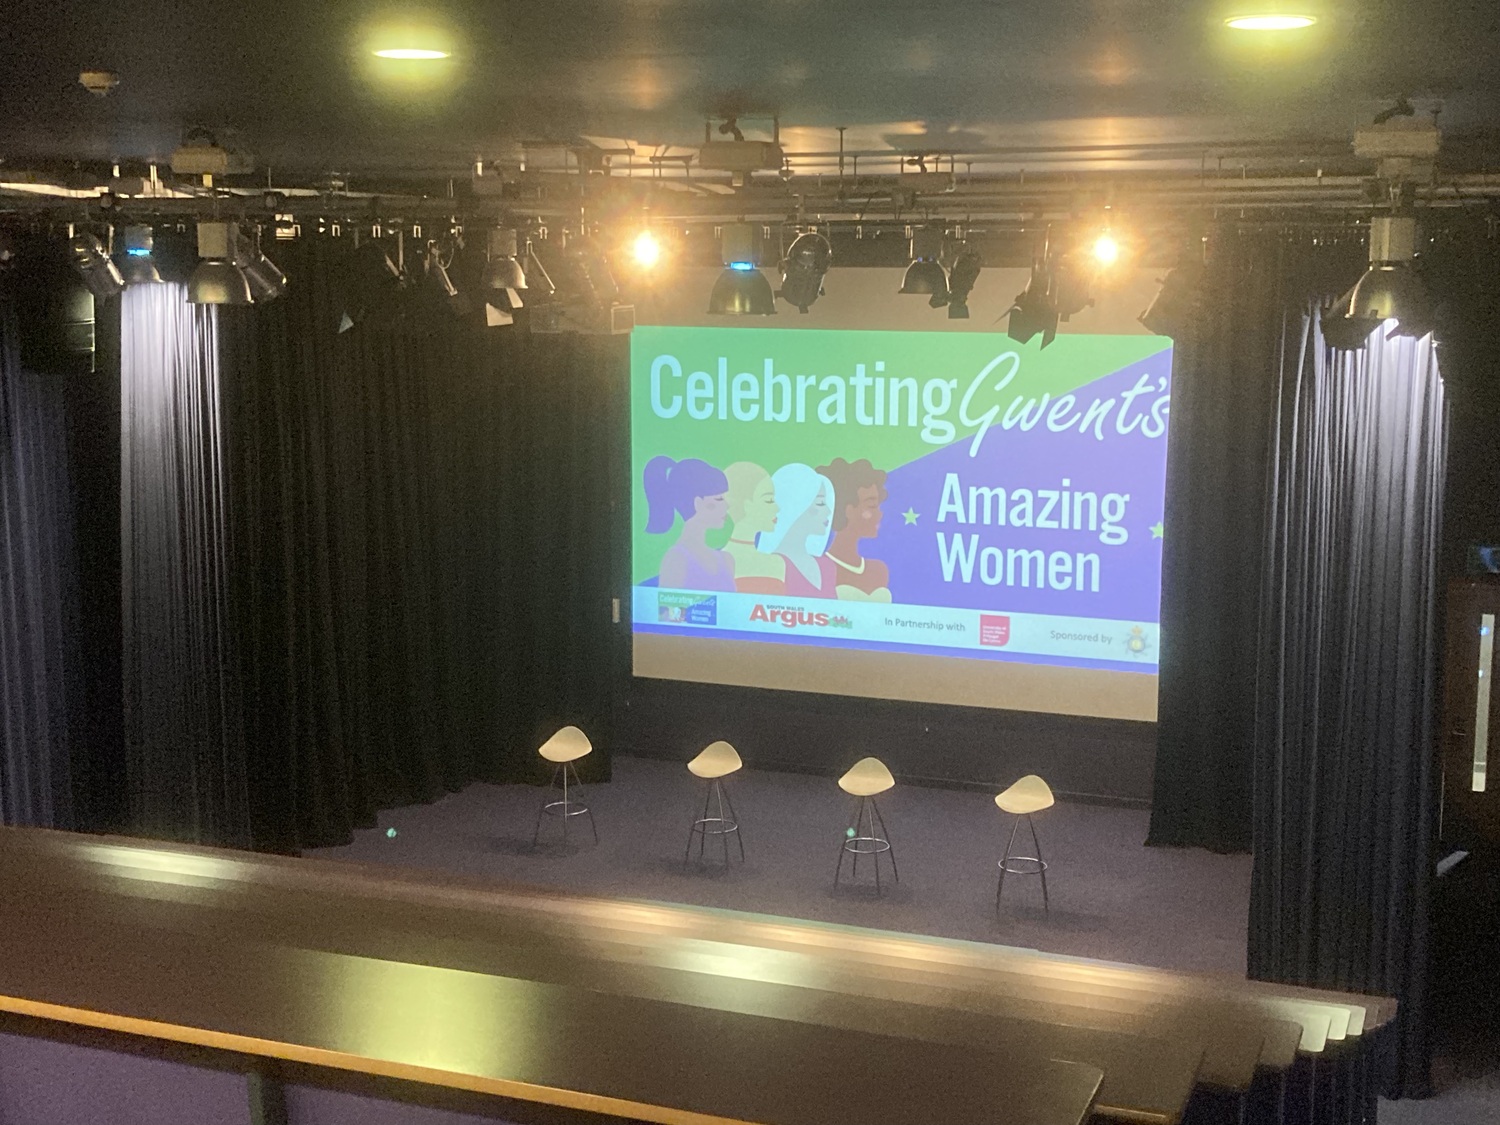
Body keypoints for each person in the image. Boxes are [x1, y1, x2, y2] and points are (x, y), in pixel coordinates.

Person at [644, 456, 736, 592]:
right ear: (698, 503)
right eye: (719, 499)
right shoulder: (676, 560)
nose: (727, 506)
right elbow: (667, 604)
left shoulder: (726, 560)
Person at [756, 463, 837, 598]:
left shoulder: (827, 567)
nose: (828, 511)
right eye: (820, 503)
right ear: (797, 507)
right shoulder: (771, 566)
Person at [817, 458, 892, 602]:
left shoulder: (878, 571)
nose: (880, 514)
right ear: (848, 511)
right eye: (872, 506)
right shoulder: (819, 569)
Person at [723, 462, 787, 594]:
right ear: (746, 505)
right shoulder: (716, 562)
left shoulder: (776, 563)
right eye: (769, 500)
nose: (777, 508)